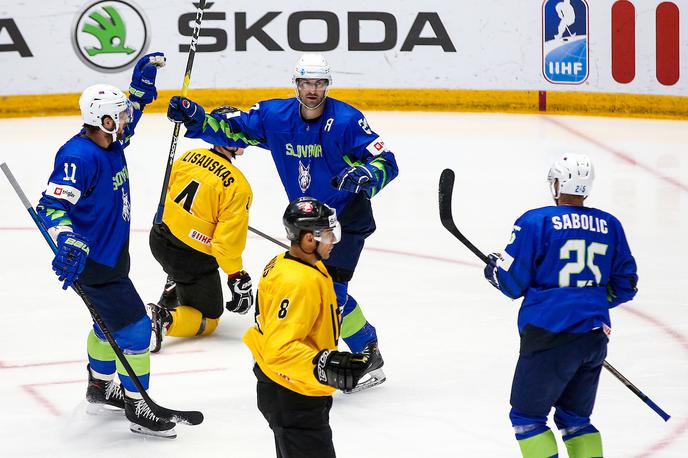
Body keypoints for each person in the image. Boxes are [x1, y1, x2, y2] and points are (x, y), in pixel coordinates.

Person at [167, 53, 399, 391]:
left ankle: (361, 353)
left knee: (330, 294)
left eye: (319, 83)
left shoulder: (347, 121)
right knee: (306, 288)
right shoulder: (275, 116)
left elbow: (386, 161)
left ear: (327, 85)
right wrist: (197, 117)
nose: (312, 90)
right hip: (306, 220)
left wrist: (365, 175)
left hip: (345, 219)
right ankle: (334, 354)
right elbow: (233, 128)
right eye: (306, 82)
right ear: (297, 83)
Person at [35, 53, 177, 438]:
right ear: (104, 121)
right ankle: (139, 406)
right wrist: (68, 240)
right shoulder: (78, 157)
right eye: (122, 114)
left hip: (112, 256)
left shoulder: (109, 141)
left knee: (105, 326)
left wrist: (139, 93)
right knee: (134, 331)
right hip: (94, 259)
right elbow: (51, 205)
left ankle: (99, 385)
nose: (127, 119)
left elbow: (128, 122)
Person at [483, 154, 638, 457]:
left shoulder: (535, 221)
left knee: (527, 419)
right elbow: (626, 285)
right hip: (594, 334)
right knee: (575, 420)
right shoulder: (610, 224)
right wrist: (589, 301)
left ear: (556, 184)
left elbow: (512, 284)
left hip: (549, 331)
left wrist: (493, 271)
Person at [243, 197, 372, 457]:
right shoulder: (298, 282)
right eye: (327, 234)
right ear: (308, 240)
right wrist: (325, 363)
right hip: (292, 393)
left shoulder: (290, 262)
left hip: (291, 385)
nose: (333, 241)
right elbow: (280, 349)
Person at [148, 106, 254, 352]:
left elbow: (170, 196)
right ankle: (164, 318)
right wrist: (237, 277)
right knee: (210, 317)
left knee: (179, 261)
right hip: (190, 259)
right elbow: (225, 246)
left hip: (158, 238)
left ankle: (175, 281)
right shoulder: (238, 187)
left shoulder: (188, 156)